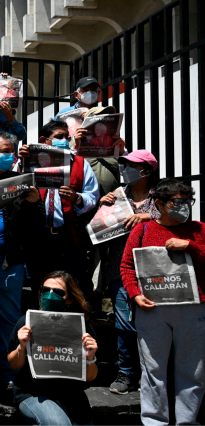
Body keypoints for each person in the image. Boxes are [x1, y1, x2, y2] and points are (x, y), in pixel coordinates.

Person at [120, 178, 205, 425]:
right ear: (159, 203)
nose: (184, 206)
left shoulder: (199, 230)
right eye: (178, 201)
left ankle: (187, 421)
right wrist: (135, 294)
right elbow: (126, 266)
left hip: (193, 309)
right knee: (153, 371)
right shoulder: (142, 230)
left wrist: (191, 246)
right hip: (153, 310)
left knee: (193, 371)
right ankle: (154, 421)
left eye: (188, 201)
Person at [0, 131, 45, 387]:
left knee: (8, 321)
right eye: (4, 151)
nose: (10, 156)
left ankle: (10, 378)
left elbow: (39, 223)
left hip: (5, 262)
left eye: (12, 151)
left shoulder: (20, 181)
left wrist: (34, 202)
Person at [96, 150, 159, 395]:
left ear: (146, 170)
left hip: (154, 268)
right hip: (121, 268)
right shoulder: (118, 195)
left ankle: (151, 374)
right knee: (124, 324)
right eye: (124, 165)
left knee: (153, 324)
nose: (125, 170)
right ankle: (127, 373)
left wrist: (150, 217)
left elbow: (178, 218)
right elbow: (99, 230)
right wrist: (103, 209)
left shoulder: (161, 196)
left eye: (131, 165)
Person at [19, 120, 99, 296]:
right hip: (39, 239)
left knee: (73, 286)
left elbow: (93, 197)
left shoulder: (79, 163)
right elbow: (13, 190)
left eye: (67, 137)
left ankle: (77, 320)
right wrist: (20, 163)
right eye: (59, 137)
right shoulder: (30, 162)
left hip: (68, 237)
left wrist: (76, 198)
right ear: (44, 140)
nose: (64, 140)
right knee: (41, 285)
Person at [7, 271, 99, 426]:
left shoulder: (82, 328)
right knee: (57, 423)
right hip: (33, 392)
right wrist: (22, 346)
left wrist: (90, 357)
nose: (50, 295)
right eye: (45, 290)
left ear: (69, 299)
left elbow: (91, 377)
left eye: (58, 292)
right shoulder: (26, 322)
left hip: (71, 395)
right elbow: (13, 365)